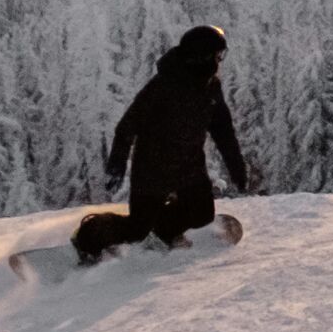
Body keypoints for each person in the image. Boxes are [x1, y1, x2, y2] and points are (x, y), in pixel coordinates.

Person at [73, 24, 253, 263]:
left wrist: (237, 169)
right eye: (217, 55)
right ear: (201, 57)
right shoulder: (163, 86)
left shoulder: (210, 88)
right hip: (152, 169)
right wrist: (117, 165)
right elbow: (127, 126)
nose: (219, 61)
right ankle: (89, 236)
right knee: (137, 229)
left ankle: (164, 230)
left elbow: (223, 131)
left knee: (201, 214)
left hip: (189, 166)